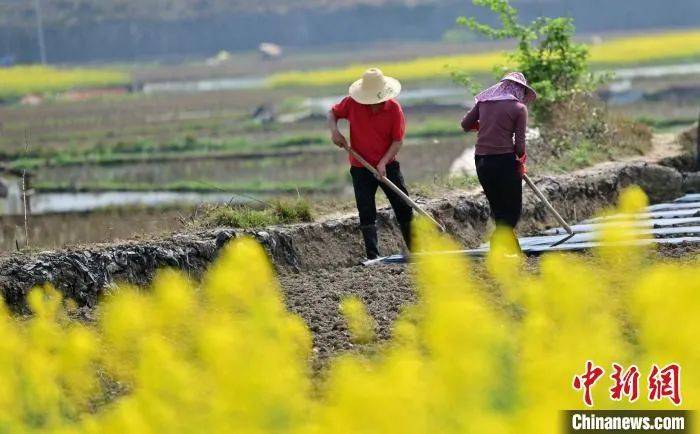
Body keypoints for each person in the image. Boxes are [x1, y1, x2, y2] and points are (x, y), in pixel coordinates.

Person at [327, 68, 413, 260]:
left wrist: (383, 162)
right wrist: (335, 132)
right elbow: (332, 113)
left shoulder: (394, 109)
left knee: (403, 207)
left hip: (388, 166)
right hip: (360, 166)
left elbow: (397, 141)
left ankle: (416, 250)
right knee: (366, 211)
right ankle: (373, 256)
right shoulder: (352, 104)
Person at [460, 71, 537, 244]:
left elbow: (465, 124)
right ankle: (496, 244)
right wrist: (520, 161)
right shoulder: (518, 108)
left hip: (481, 161)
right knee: (513, 211)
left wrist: (487, 126)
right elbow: (520, 145)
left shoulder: (483, 103)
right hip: (504, 162)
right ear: (518, 89)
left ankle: (511, 249)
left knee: (499, 210)